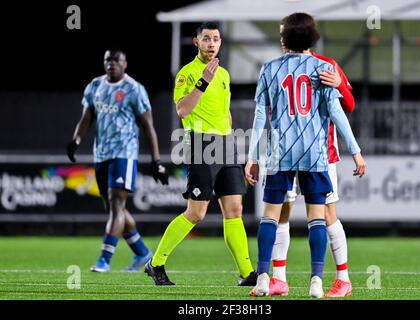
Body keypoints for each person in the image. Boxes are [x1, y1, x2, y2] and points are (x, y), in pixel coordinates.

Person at [245, 12, 366, 298]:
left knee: (270, 218)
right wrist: (357, 151)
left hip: (279, 154)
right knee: (317, 218)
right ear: (313, 37)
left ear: (285, 38)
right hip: (315, 154)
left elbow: (260, 115)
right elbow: (339, 113)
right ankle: (315, 281)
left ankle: (264, 278)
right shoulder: (323, 69)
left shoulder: (269, 69)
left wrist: (252, 156)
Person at [144, 22, 257, 286]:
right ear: (197, 42)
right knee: (196, 213)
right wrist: (203, 82)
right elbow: (183, 110)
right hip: (200, 145)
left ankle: (246, 273)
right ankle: (156, 262)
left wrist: (232, 142)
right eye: (206, 39)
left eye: (216, 39)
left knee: (235, 209)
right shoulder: (188, 73)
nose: (211, 43)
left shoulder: (225, 74)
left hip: (226, 145)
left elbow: (225, 112)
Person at [270, 22, 357, 297]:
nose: (282, 37)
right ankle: (279, 279)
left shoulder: (326, 64)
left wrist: (340, 84)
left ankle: (343, 279)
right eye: (281, 32)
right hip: (285, 153)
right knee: (281, 209)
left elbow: (349, 105)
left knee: (327, 215)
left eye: (286, 32)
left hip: (320, 153)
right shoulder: (276, 67)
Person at [67, 48, 168, 273]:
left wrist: (157, 160)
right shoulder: (95, 86)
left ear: (125, 63)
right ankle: (142, 253)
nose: (111, 63)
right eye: (107, 60)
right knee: (114, 208)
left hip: (125, 153)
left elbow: (148, 126)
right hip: (101, 154)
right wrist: (76, 140)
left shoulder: (134, 89)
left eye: (116, 60)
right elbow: (87, 117)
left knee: (116, 204)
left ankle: (104, 259)